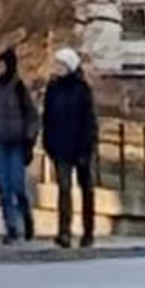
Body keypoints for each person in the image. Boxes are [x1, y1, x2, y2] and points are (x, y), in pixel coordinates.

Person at [40, 46, 101, 246]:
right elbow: (47, 118)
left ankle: (88, 231)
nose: (56, 67)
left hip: (81, 146)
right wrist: (48, 143)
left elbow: (89, 121)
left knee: (86, 189)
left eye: (60, 64)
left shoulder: (82, 90)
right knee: (64, 189)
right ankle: (64, 231)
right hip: (60, 147)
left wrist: (88, 146)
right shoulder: (53, 89)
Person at [0, 46, 38, 241]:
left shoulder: (19, 88)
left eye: (1, 65)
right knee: (3, 187)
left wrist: (29, 140)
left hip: (17, 143)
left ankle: (25, 215)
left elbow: (31, 115)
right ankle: (11, 227)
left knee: (17, 185)